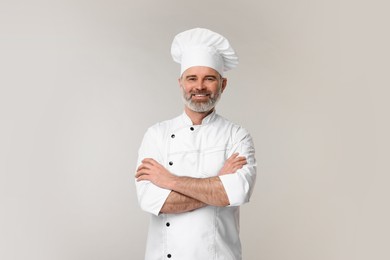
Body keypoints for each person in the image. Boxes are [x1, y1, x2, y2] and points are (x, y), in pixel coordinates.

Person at [135, 28, 257, 260]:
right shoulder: (156, 135)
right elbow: (152, 201)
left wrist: (170, 181)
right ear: (181, 83)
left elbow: (238, 192)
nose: (199, 86)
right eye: (192, 78)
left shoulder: (237, 135)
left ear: (223, 84)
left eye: (209, 78)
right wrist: (218, 185)